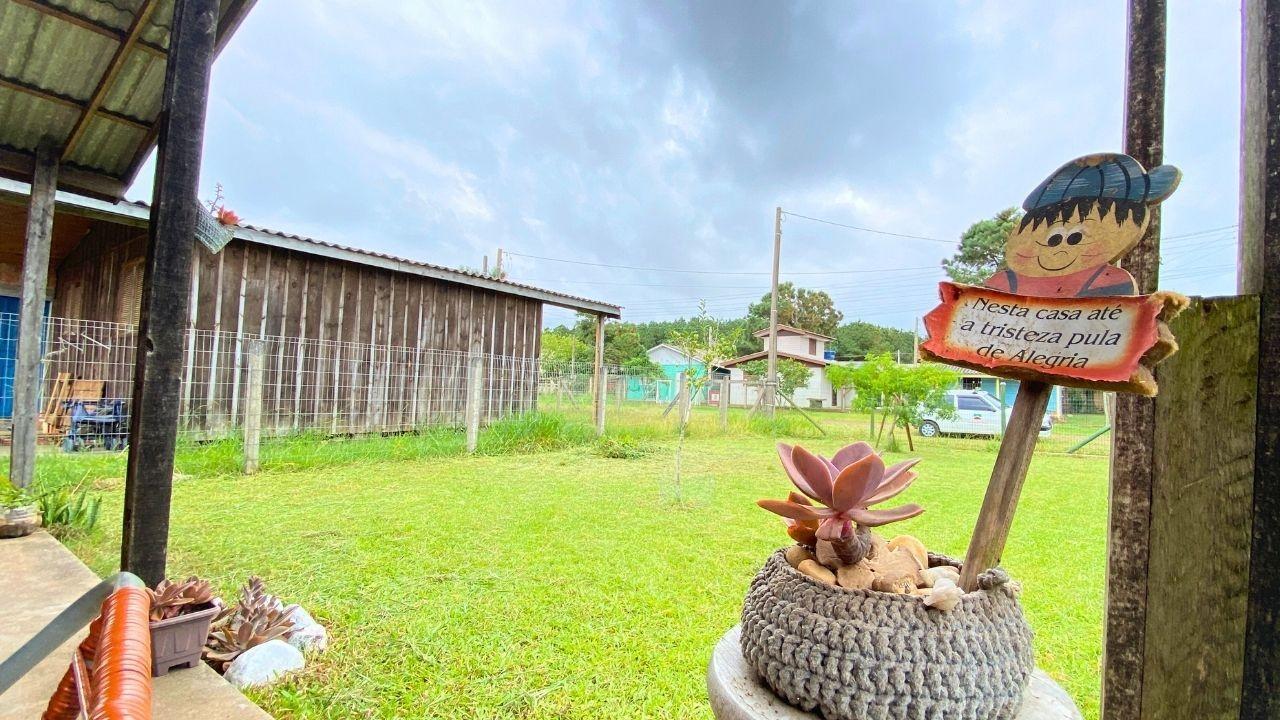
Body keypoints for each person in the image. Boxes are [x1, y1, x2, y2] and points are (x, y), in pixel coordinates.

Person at [984, 152, 1180, 298]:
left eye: (1076, 236)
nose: (1061, 245)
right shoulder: (1004, 284)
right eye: (1053, 237)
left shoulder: (1110, 282)